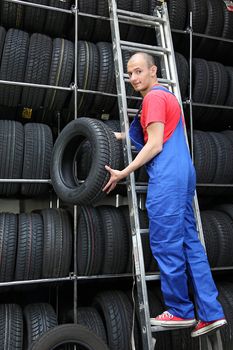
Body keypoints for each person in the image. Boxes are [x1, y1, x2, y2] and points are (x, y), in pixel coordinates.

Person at [103, 52, 227, 337]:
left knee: (165, 242)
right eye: (130, 73)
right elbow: (153, 133)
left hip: (168, 177)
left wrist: (124, 171)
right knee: (190, 245)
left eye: (138, 72)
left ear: (153, 71)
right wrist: (120, 136)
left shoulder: (154, 99)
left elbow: (155, 144)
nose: (133, 78)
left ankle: (180, 310)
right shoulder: (167, 97)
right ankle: (210, 312)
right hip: (183, 172)